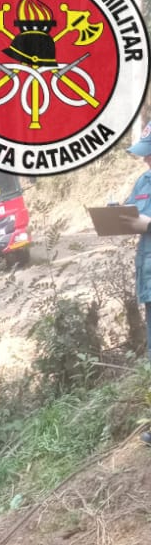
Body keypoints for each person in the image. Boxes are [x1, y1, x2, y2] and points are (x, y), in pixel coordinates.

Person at [118, 122, 151, 440]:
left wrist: (144, 221)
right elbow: (132, 214)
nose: (146, 160)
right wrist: (118, 215)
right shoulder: (144, 179)